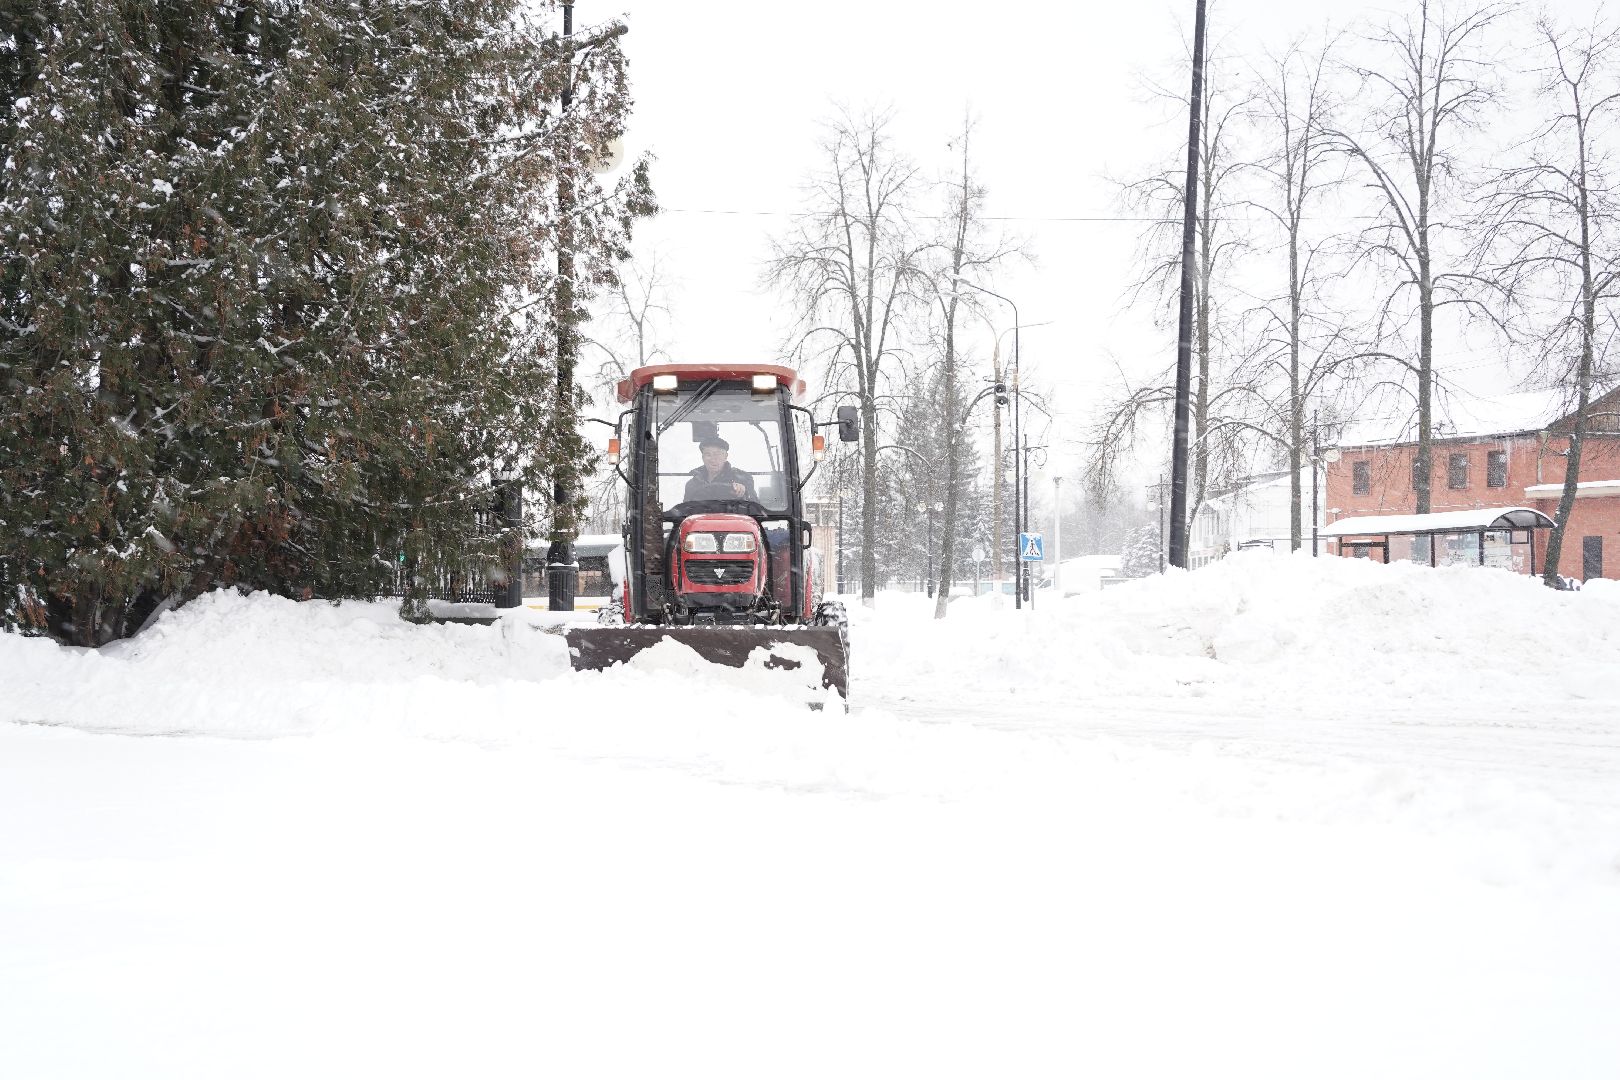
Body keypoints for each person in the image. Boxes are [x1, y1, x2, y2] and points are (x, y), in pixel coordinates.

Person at [684, 436, 756, 501]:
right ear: (703, 457)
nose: (713, 459)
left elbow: (755, 509)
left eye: (717, 454)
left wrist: (746, 493)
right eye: (708, 454)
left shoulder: (743, 479)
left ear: (726, 456)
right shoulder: (692, 484)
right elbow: (685, 512)